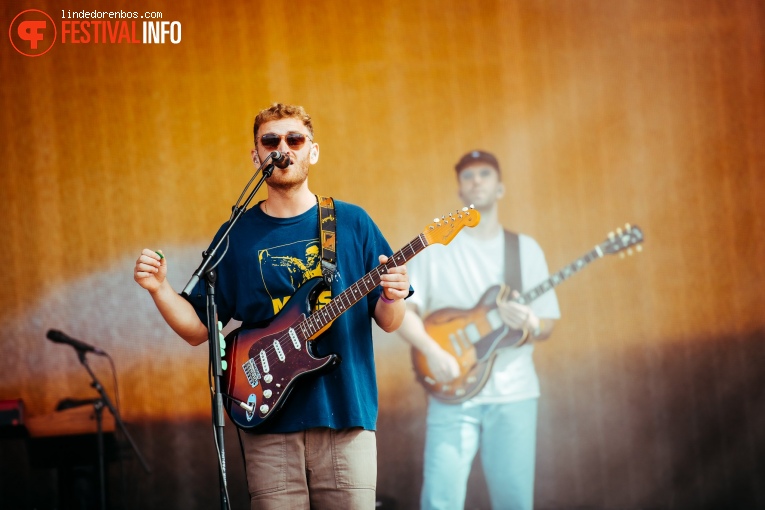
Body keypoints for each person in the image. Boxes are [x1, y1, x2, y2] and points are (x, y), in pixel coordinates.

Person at [133, 103, 410, 509]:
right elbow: (198, 330)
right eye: (271, 140)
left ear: (312, 151)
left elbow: (389, 321)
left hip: (345, 415)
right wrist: (159, 288)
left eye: (294, 139)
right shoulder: (236, 233)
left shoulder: (352, 222)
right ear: (256, 155)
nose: (284, 148)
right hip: (266, 421)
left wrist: (392, 295)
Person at [397, 150, 560, 510]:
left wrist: (530, 322)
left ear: (500, 188)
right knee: (440, 500)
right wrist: (433, 351)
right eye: (468, 176)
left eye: (485, 174)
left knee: (515, 502)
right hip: (451, 394)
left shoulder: (525, 250)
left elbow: (547, 322)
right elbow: (402, 311)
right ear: (459, 191)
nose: (476, 181)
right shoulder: (437, 249)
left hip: (515, 394)